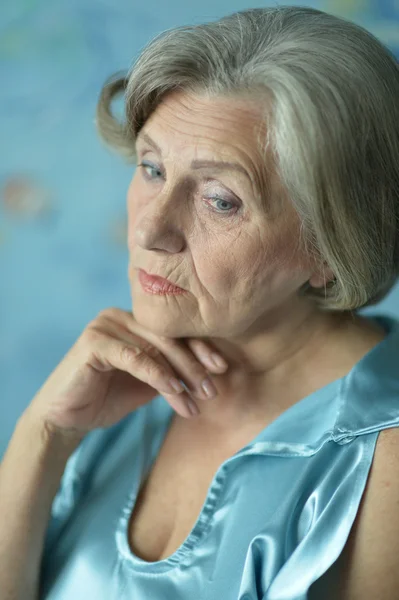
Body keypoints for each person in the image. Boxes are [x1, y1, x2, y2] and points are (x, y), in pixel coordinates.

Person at [1, 5, 399, 600]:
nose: (148, 231)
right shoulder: (113, 382)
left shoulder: (384, 458)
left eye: (220, 200)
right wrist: (43, 436)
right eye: (152, 167)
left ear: (330, 245)